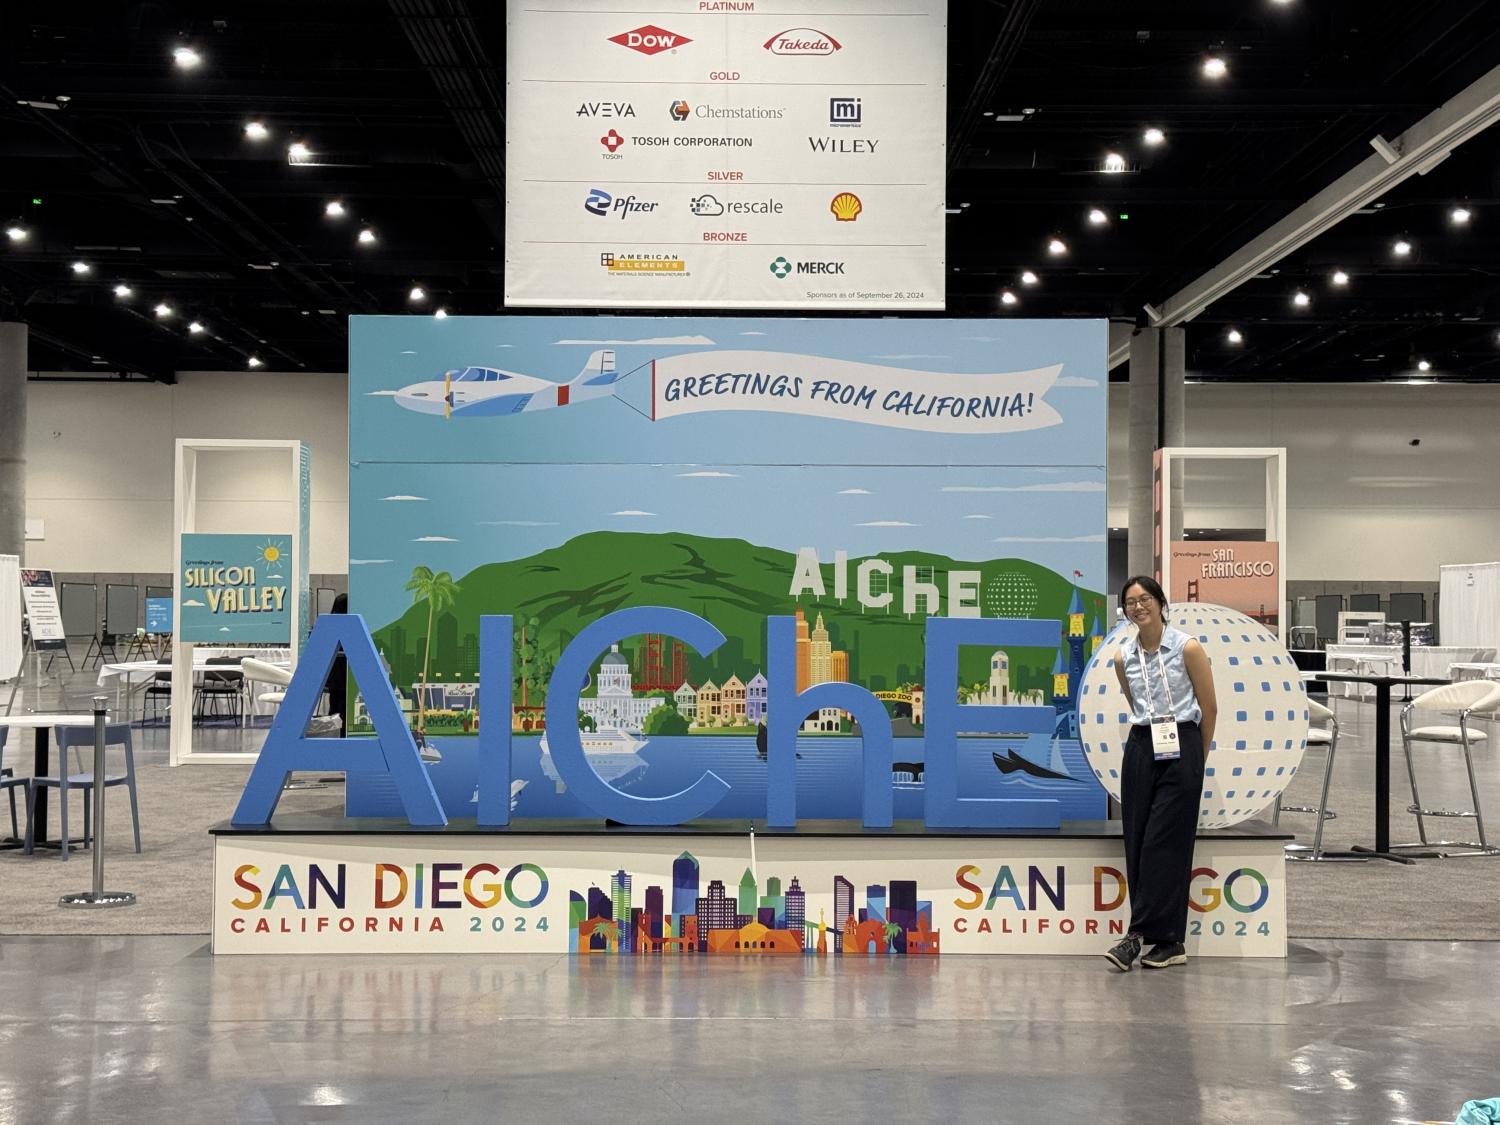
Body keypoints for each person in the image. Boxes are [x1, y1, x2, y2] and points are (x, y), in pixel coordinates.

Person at [1104, 575, 1217, 971]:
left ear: (1161, 602)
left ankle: (1135, 937)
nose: (1139, 607)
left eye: (1146, 598)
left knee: (1163, 841)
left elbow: (1210, 707)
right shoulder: (1122, 657)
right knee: (1137, 840)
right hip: (1141, 745)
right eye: (1131, 602)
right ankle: (1170, 942)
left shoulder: (1188, 648)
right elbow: (1135, 701)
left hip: (1182, 743)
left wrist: (1195, 759)